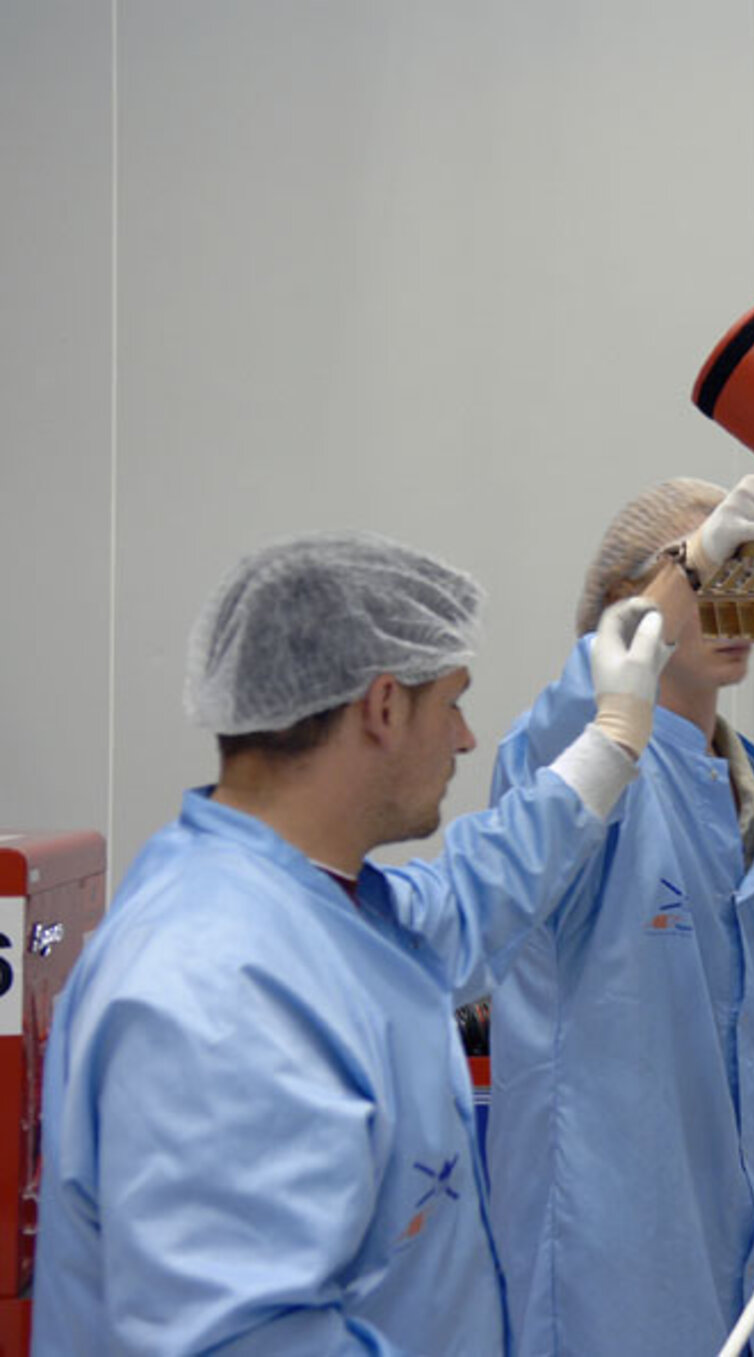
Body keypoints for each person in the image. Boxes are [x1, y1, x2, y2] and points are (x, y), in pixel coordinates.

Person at [33, 530, 671, 1355]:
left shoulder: (323, 907)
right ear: (381, 707)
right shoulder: (213, 989)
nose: (467, 738)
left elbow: (471, 894)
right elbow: (247, 1340)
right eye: (452, 702)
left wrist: (612, 741)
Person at [486, 474, 754, 1357]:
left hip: (752, 1239)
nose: (732, 610)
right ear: (632, 603)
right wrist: (691, 560)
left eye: (745, 580)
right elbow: (569, 736)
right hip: (611, 1250)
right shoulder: (581, 779)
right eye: (709, 583)